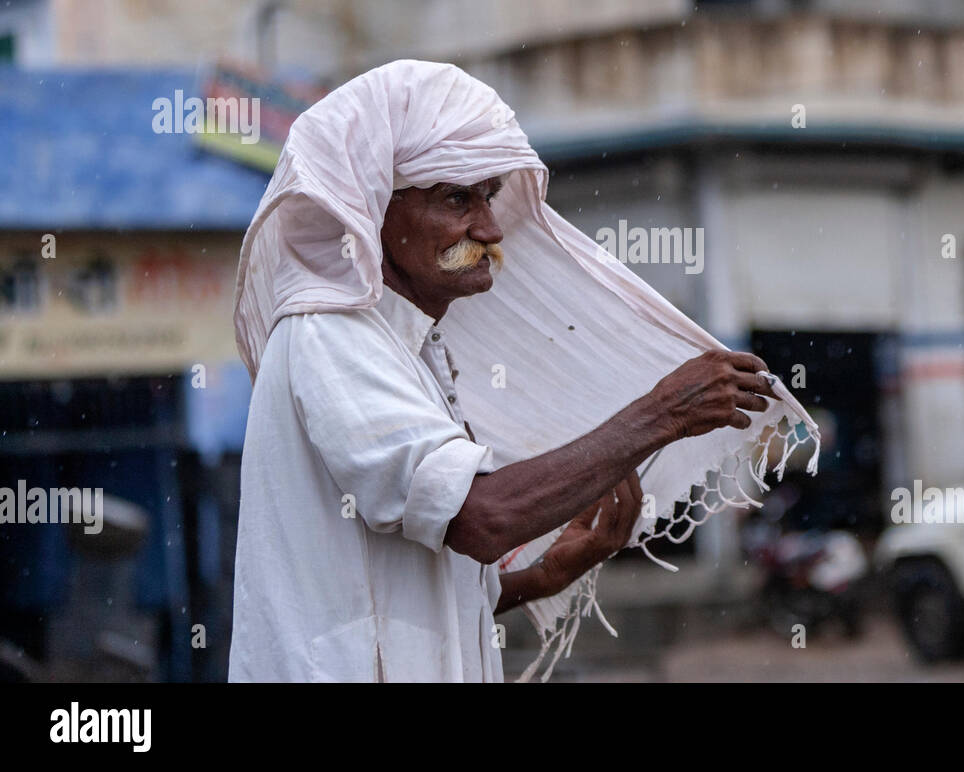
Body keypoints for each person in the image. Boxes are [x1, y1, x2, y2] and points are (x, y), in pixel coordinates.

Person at [227, 61, 792, 682]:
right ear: (371, 207)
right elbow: (477, 517)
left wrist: (546, 576)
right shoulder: (332, 335)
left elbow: (418, 603)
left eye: (489, 196)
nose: (490, 229)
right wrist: (665, 413)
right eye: (455, 199)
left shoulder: (407, 347)